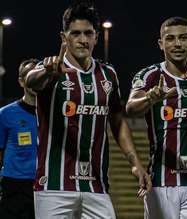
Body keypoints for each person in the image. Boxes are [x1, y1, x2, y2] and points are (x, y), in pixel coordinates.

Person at [25, 1, 151, 219]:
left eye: (88, 33)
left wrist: (136, 164)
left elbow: (118, 122)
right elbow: (32, 82)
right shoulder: (50, 68)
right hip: (54, 186)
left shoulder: (108, 74)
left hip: (96, 185)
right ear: (64, 38)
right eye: (75, 33)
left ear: (96, 37)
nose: (82, 40)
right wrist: (47, 72)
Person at [126, 16, 187, 219]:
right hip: (160, 184)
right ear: (161, 44)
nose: (177, 44)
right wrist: (150, 97)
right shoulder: (149, 76)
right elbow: (131, 107)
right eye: (170, 38)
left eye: (183, 38)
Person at [0, 58, 39, 219]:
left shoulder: (54, 115)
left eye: (39, 76)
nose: (35, 81)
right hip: (15, 186)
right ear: (21, 81)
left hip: (46, 187)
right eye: (30, 76)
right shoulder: (5, 114)